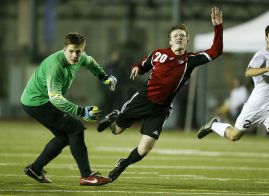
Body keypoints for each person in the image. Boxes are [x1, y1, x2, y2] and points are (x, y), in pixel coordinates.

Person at [97, 7, 223, 182]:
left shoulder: (191, 60)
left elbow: (216, 51)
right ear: (170, 41)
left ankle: (122, 164)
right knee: (116, 131)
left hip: (161, 109)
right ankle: (115, 116)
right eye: (175, 36)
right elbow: (143, 65)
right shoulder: (158, 54)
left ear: (187, 40)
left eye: (182, 36)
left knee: (145, 148)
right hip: (144, 98)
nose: (179, 38)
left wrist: (218, 27)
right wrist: (136, 67)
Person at [197, 23, 269, 186]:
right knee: (234, 136)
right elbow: (248, 72)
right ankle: (214, 125)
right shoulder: (262, 54)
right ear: (266, 38)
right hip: (255, 107)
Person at [21, 32, 117, 186]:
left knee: (64, 137)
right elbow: (56, 98)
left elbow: (91, 63)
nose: (74, 55)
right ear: (64, 49)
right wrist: (81, 111)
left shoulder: (81, 57)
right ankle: (86, 176)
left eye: (78, 51)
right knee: (75, 129)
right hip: (37, 102)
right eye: (71, 51)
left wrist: (104, 77)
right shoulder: (56, 66)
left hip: (42, 100)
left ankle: (35, 168)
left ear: (82, 50)